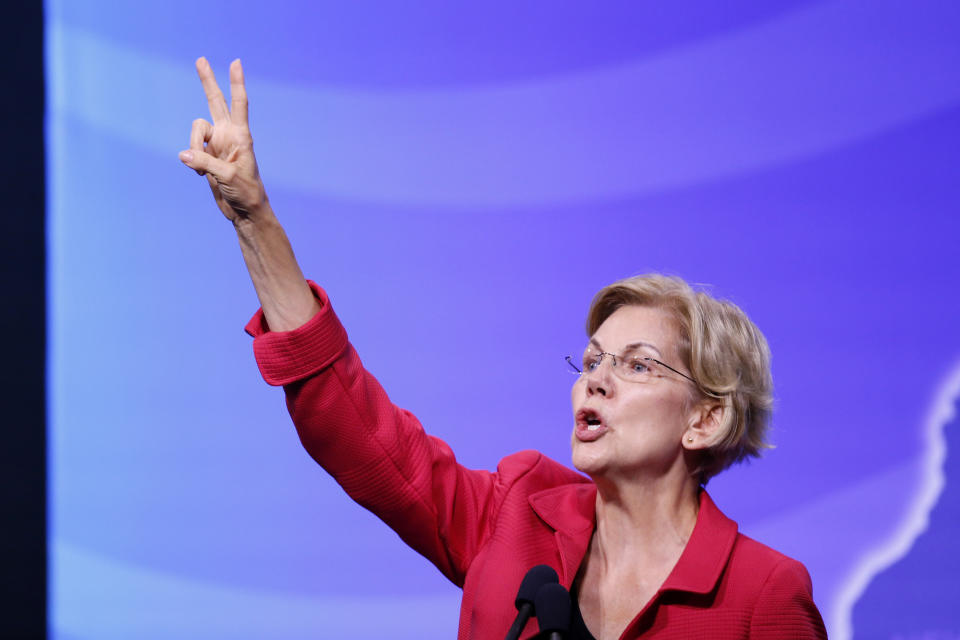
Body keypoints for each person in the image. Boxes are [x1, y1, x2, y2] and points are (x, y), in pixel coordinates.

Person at [179, 57, 828, 640]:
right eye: (594, 360)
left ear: (705, 418)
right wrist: (253, 217)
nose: (596, 381)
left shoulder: (761, 597)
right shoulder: (515, 517)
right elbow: (360, 435)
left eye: (637, 365)